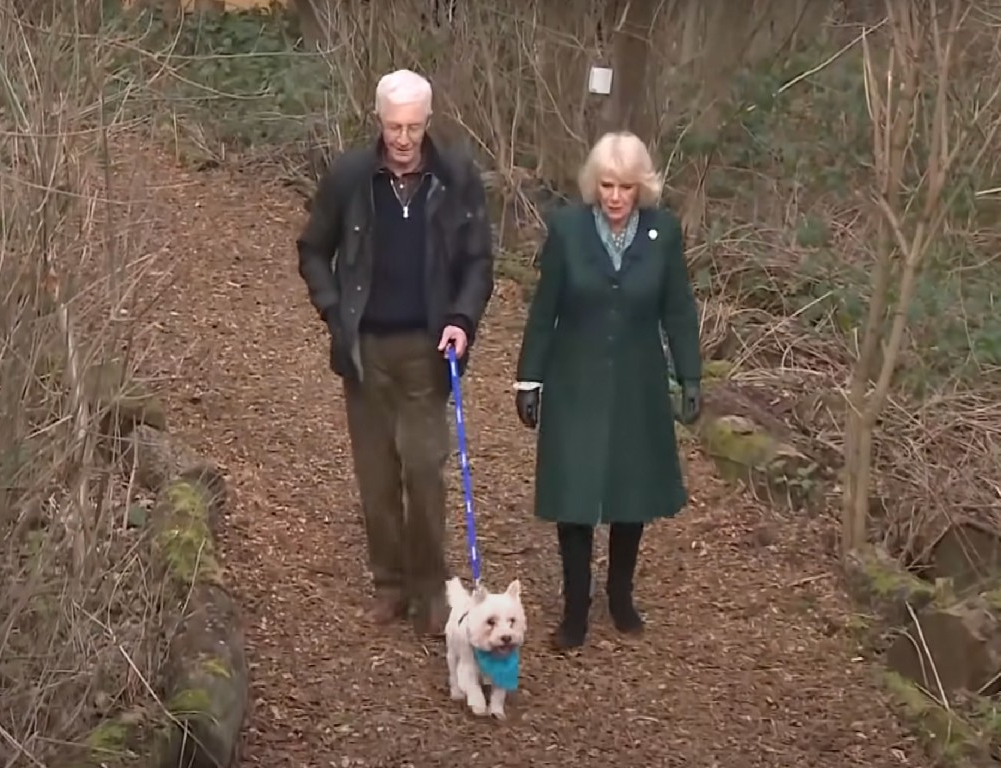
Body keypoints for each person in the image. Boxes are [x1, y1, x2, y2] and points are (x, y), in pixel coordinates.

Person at [297, 69, 494, 637]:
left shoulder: (456, 176)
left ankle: (432, 590)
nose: (403, 139)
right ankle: (389, 584)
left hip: (428, 347)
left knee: (425, 470)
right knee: (376, 475)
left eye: (412, 127)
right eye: (393, 127)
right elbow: (313, 249)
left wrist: (462, 319)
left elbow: (478, 261)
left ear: (428, 121)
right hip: (364, 350)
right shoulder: (350, 177)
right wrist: (334, 311)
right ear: (378, 122)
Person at [513, 131, 702, 650]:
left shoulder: (663, 232)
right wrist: (529, 378)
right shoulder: (567, 229)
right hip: (575, 378)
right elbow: (544, 310)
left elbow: (678, 309)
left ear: (642, 187)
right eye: (607, 185)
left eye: (625, 187)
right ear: (594, 185)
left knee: (629, 491)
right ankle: (575, 608)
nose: (616, 197)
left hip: (638, 382)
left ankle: (620, 595)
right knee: (573, 494)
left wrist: (690, 376)